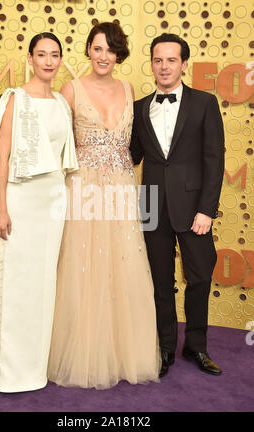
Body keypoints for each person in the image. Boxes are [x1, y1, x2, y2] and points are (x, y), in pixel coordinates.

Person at [47, 22, 161, 389]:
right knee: (82, 268)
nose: (103, 56)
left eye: (110, 50)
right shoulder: (70, 89)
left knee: (124, 266)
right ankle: (82, 354)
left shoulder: (129, 89)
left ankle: (125, 353)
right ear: (88, 51)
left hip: (123, 189)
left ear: (119, 55)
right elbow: (53, 141)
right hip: (83, 189)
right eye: (97, 49)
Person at [0, 33, 78, 392]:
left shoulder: (61, 104)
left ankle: (36, 370)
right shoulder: (14, 99)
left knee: (42, 287)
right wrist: (1, 209)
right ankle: (9, 372)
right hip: (19, 202)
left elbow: (65, 162)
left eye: (55, 55)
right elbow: (0, 157)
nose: (49, 61)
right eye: (42, 55)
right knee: (16, 285)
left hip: (52, 203)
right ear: (30, 58)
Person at [130, 33, 224, 377]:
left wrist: (207, 210)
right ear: (151, 64)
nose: (164, 66)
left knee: (199, 278)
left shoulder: (204, 103)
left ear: (184, 64)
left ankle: (196, 346)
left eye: (171, 60)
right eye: (158, 60)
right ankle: (165, 347)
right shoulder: (140, 107)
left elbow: (214, 159)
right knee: (159, 279)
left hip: (194, 209)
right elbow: (132, 156)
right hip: (152, 205)